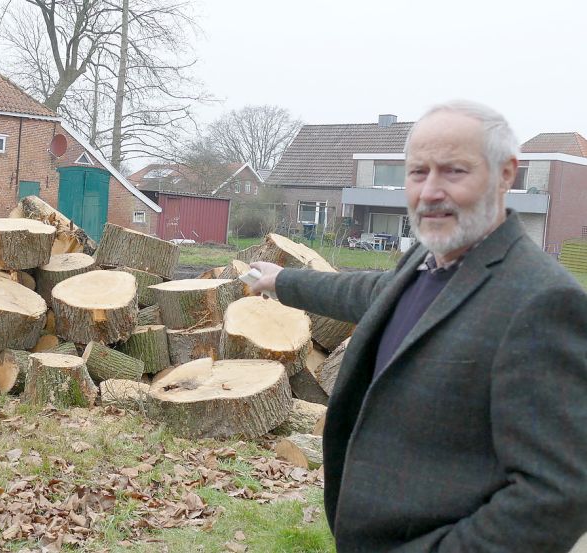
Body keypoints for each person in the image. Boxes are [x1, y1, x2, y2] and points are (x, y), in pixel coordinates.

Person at [248, 100, 587, 552]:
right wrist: (282, 281)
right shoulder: (425, 264)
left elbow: (558, 493)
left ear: (506, 174)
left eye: (453, 172)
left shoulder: (542, 300)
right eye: (417, 172)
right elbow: (369, 293)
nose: (430, 191)